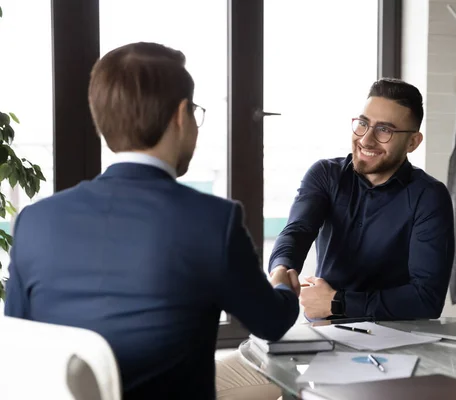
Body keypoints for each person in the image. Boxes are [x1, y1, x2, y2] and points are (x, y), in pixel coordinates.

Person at [3, 42, 300, 400]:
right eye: (195, 112)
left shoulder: (34, 222)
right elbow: (271, 323)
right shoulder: (212, 221)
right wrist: (284, 286)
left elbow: (20, 341)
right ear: (180, 115)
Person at [269, 77, 455, 321]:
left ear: (412, 142)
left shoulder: (429, 197)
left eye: (384, 130)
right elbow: (297, 231)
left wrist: (338, 303)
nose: (366, 139)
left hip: (398, 339)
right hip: (326, 331)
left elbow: (426, 299)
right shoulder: (325, 175)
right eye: (363, 124)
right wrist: (280, 269)